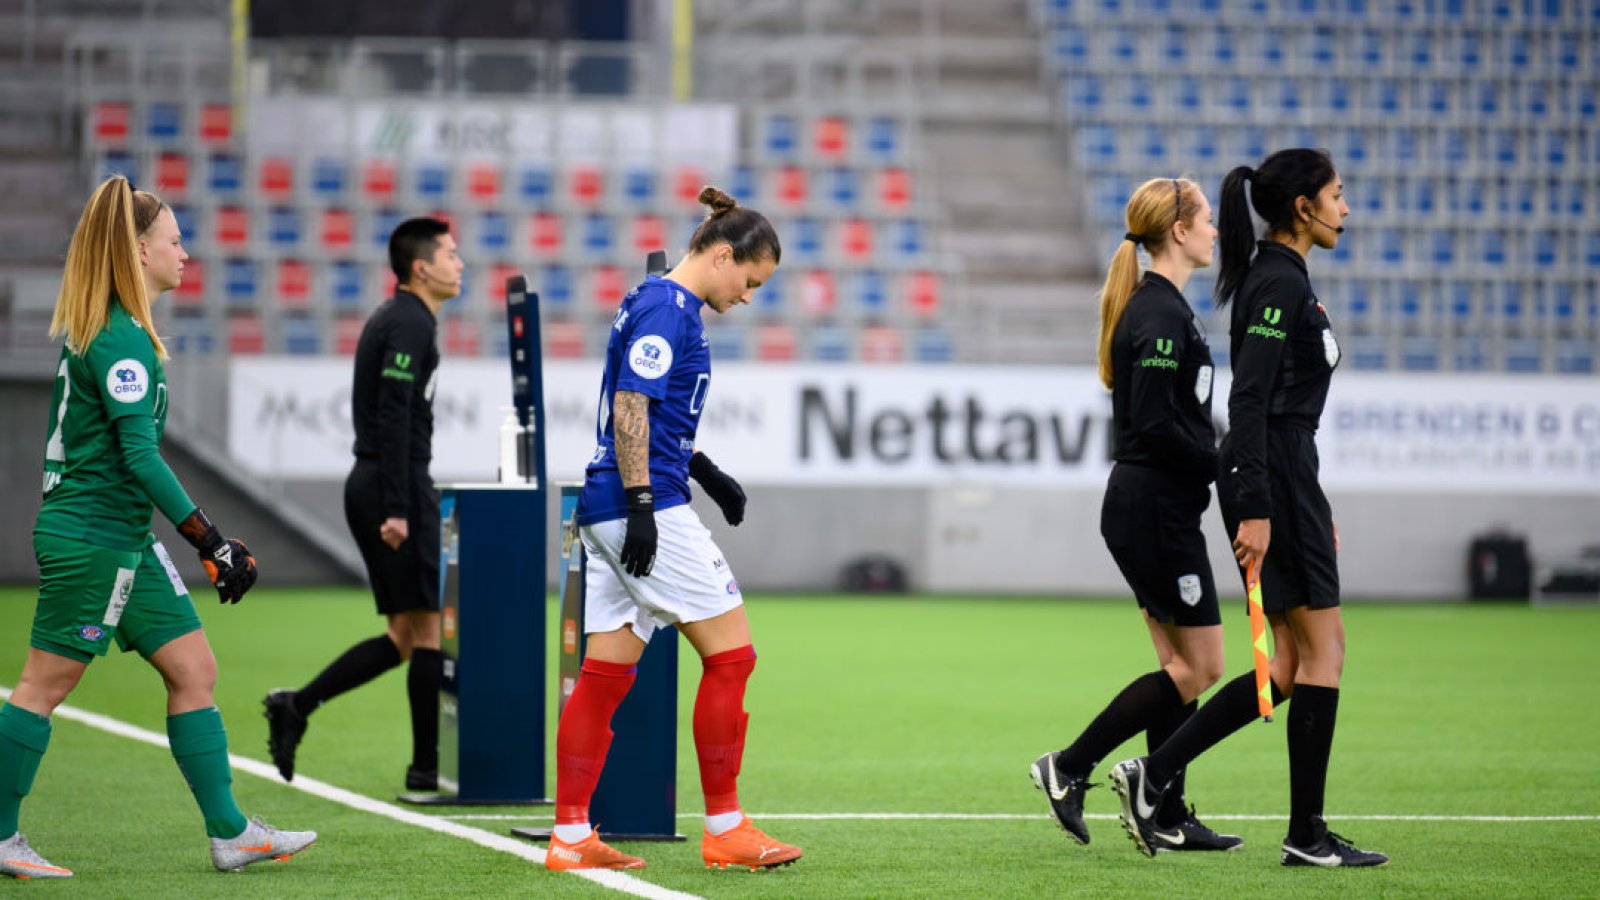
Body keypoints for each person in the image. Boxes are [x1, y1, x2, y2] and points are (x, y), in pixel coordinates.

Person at [0, 176, 315, 879]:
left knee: (193, 668)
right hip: (92, 539)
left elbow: (133, 458)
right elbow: (138, 455)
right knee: (42, 687)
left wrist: (195, 539)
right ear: (139, 250)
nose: (187, 252)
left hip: (124, 538)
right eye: (175, 240)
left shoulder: (121, 330)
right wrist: (211, 539)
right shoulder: (120, 339)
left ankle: (231, 832)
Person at [1109, 149, 1388, 867]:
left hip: (1290, 477)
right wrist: (1261, 505)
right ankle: (1306, 835)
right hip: (1276, 475)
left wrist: (1296, 500)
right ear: (1304, 207)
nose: (1345, 207)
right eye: (1337, 193)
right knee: (1324, 652)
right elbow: (1251, 400)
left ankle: (1154, 771)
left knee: (1291, 664)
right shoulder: (1275, 283)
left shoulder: (1282, 278)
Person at [544, 186, 801, 873]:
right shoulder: (668, 309)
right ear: (722, 255)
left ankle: (570, 837)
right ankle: (726, 827)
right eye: (749, 280)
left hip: (609, 502)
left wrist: (706, 471)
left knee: (602, 677)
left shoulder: (653, 297)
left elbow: (651, 414)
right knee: (732, 657)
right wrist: (641, 504)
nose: (748, 297)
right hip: (640, 504)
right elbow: (632, 404)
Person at [1032, 177, 1241, 853]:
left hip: (1152, 508)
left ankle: (1169, 813)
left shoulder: (1166, 308)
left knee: (1178, 668)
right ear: (1178, 230)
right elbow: (1152, 427)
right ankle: (1069, 766)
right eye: (1206, 219)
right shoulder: (1156, 315)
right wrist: (1223, 462)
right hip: (1154, 511)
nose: (1214, 230)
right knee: (1202, 667)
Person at [263, 218, 463, 792]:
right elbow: (396, 415)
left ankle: (296, 706)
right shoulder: (408, 322)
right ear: (421, 268)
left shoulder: (404, 318)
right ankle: (427, 768)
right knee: (429, 630)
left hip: (378, 482)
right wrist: (400, 508)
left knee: (405, 635)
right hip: (390, 486)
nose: (460, 263)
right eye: (450, 254)